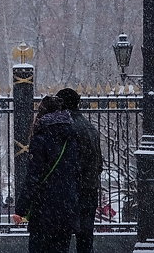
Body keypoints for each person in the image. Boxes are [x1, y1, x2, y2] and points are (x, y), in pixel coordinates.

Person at [13, 95, 81, 253]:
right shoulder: (71, 135)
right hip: (66, 207)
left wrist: (21, 209)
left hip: (44, 209)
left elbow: (33, 177)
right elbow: (77, 172)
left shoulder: (41, 137)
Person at [57, 87, 103, 253]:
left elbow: (66, 163)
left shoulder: (66, 128)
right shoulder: (90, 128)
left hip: (71, 191)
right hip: (90, 189)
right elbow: (99, 164)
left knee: (62, 238)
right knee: (85, 238)